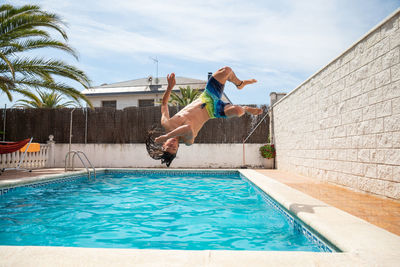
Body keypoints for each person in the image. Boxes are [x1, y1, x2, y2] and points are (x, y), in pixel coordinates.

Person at [146, 66, 263, 167]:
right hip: (213, 110)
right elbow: (187, 128)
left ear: (164, 144)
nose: (172, 145)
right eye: (174, 148)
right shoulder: (188, 140)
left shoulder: (167, 123)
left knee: (226, 70)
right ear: (178, 147)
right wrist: (166, 135)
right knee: (237, 111)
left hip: (207, 95)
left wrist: (170, 87)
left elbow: (164, 105)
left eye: (169, 147)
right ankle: (246, 109)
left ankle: (239, 84)